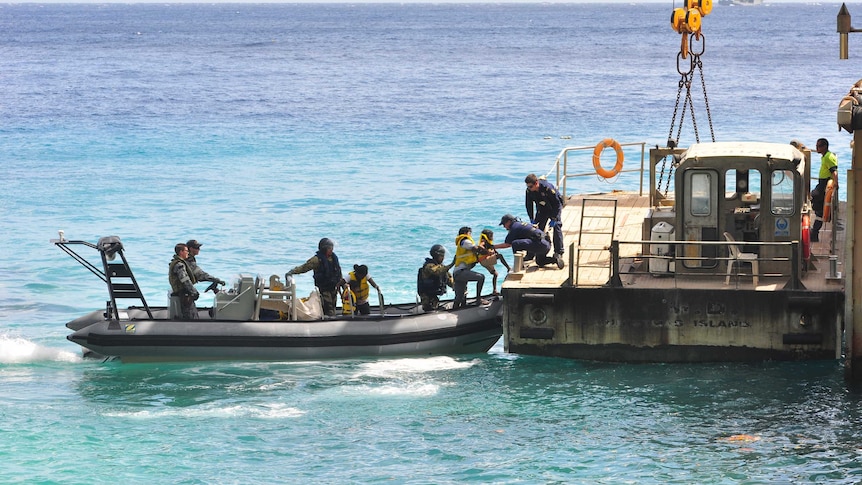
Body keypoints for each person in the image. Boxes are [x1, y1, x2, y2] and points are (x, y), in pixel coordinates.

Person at [286, 238, 343, 316]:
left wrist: (342, 283)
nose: (331, 250)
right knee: (328, 307)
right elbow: (304, 267)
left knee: (333, 306)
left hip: (333, 287)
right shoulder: (317, 260)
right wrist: (292, 272)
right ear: (324, 248)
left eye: (332, 248)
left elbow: (338, 271)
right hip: (324, 288)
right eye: (329, 248)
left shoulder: (333, 258)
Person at [495, 214, 563, 269]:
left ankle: (520, 265)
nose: (504, 227)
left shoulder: (514, 228)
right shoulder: (520, 224)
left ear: (509, 222)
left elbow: (508, 244)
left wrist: (494, 247)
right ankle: (555, 259)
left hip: (540, 244)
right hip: (546, 243)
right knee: (540, 262)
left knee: (515, 243)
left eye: (504, 224)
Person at [525, 173, 565, 257]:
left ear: (536, 183)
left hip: (554, 207)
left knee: (557, 226)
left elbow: (557, 204)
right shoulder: (529, 191)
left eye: (531, 186)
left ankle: (559, 251)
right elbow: (529, 205)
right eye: (528, 186)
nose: (529, 188)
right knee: (535, 229)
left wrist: (554, 218)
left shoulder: (547, 188)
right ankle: (531, 253)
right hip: (542, 209)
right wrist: (531, 218)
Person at [452, 226, 490, 309]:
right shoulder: (465, 241)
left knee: (459, 297)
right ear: (466, 233)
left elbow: (472, 258)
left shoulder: (461, 244)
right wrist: (483, 246)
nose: (471, 235)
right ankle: (478, 299)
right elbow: (476, 249)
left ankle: (456, 309)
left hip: (457, 273)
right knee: (481, 277)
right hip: (460, 272)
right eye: (470, 233)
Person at [811, 138, 839, 242]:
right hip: (821, 184)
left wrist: (836, 183)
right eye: (816, 146)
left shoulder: (828, 157)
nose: (816, 148)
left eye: (818, 146)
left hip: (824, 185)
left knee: (818, 208)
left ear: (824, 147)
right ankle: (814, 233)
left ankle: (814, 234)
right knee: (817, 207)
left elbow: (834, 171)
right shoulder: (825, 156)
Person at [417, 244, 454, 312]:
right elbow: (437, 271)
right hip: (427, 295)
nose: (443, 258)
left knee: (436, 305)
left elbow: (449, 279)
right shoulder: (429, 266)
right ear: (436, 256)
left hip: (434, 295)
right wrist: (452, 264)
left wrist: (457, 287)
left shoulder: (441, 267)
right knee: (429, 307)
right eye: (441, 256)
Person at [168, 243, 199, 320]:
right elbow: (184, 279)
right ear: (181, 252)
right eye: (186, 251)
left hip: (183, 292)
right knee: (190, 315)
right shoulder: (179, 265)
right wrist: (194, 291)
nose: (188, 252)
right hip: (184, 293)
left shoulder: (177, 262)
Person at [478, 228, 511, 295]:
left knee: (495, 274)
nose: (492, 237)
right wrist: (487, 252)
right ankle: (508, 268)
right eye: (490, 236)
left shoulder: (489, 243)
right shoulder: (483, 241)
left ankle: (494, 290)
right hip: (484, 260)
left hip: (485, 261)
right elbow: (480, 246)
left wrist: (494, 253)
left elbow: (495, 251)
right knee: (500, 256)